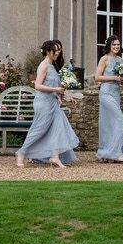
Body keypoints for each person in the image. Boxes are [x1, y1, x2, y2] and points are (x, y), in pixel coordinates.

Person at [16, 40, 79, 168]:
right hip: (43, 103)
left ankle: (54, 156)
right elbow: (38, 86)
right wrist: (56, 90)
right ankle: (21, 153)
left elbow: (55, 86)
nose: (58, 52)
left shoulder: (53, 66)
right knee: (39, 129)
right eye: (55, 50)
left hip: (53, 102)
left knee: (58, 127)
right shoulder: (43, 65)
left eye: (59, 50)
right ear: (48, 51)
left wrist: (66, 96)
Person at [95, 35, 123, 162]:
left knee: (110, 123)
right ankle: (115, 153)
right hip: (106, 93)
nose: (116, 46)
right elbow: (97, 77)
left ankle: (107, 153)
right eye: (114, 44)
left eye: (118, 44)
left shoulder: (120, 60)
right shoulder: (104, 59)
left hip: (116, 94)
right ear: (109, 46)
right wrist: (113, 78)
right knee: (120, 120)